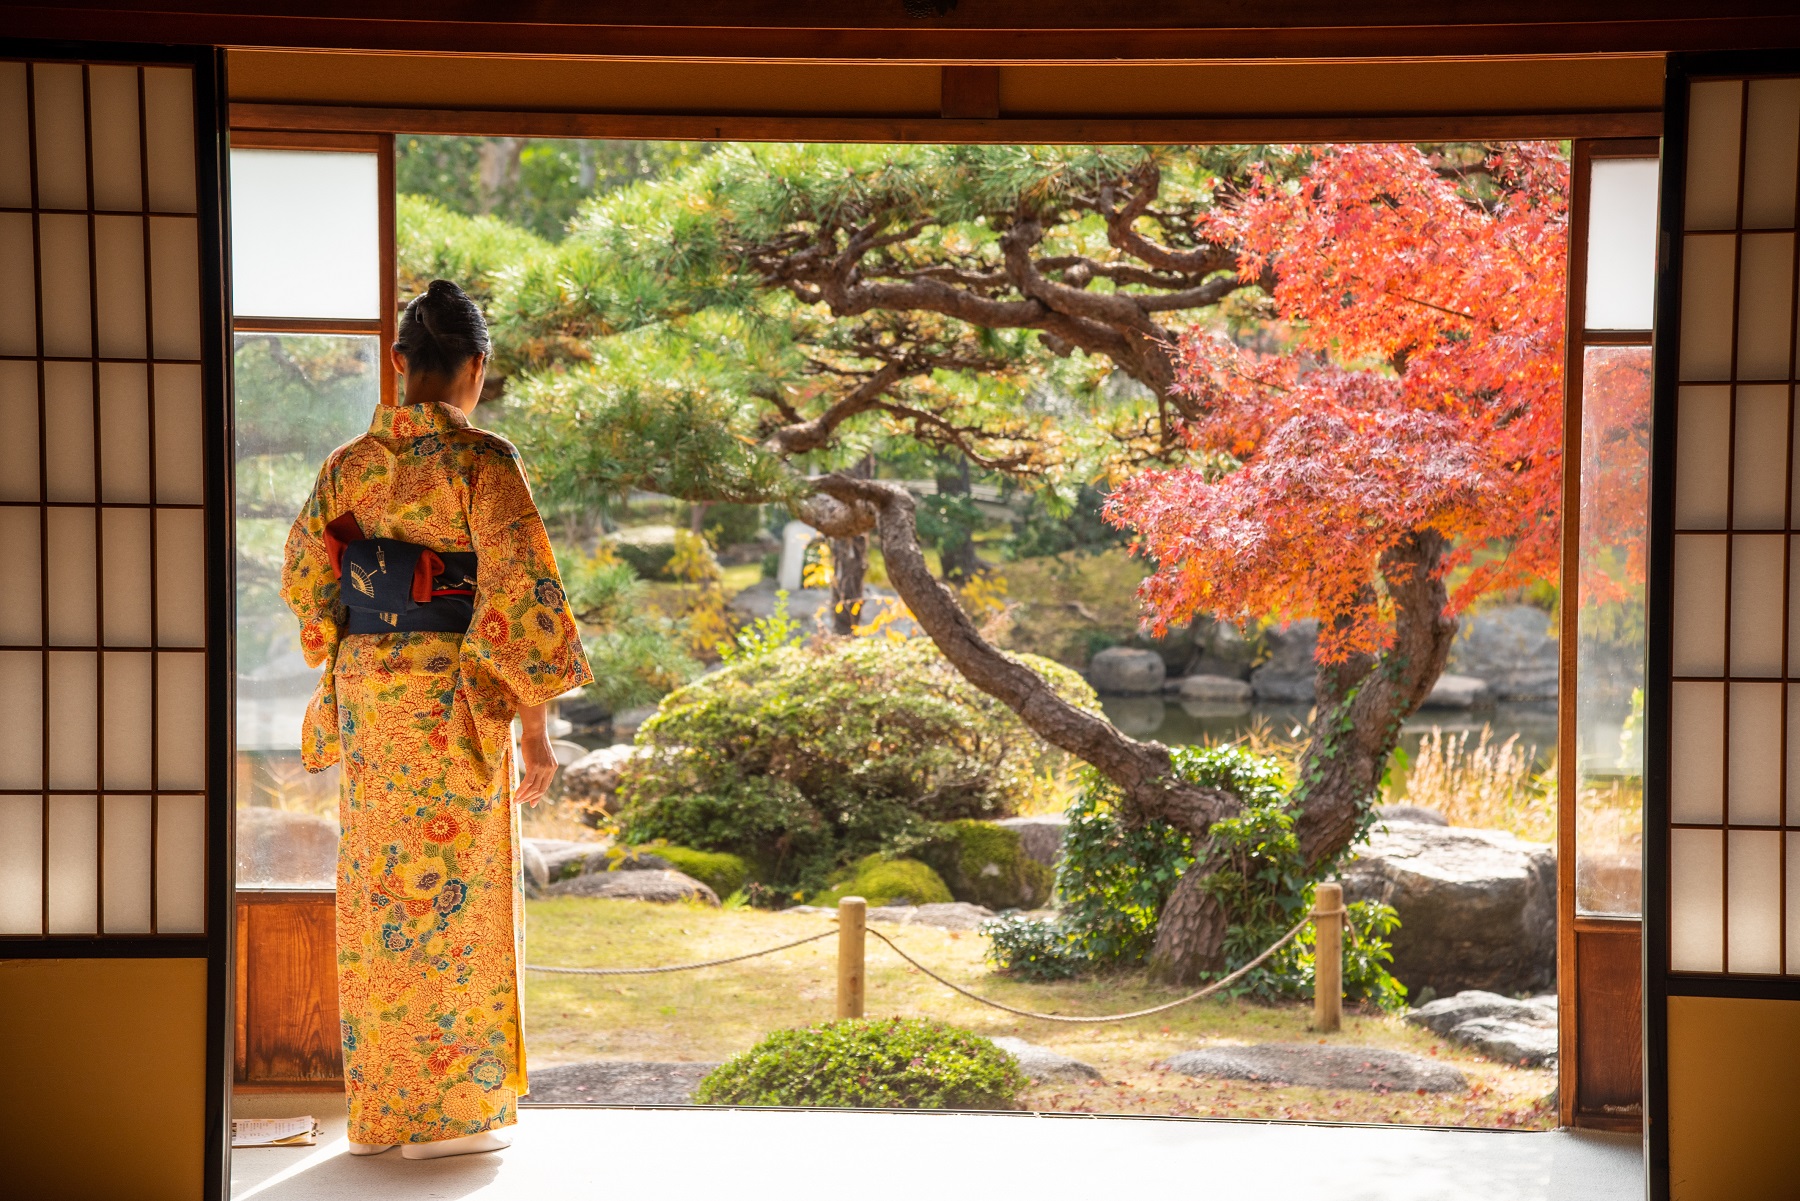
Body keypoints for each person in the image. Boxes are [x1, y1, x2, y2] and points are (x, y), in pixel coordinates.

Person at [282, 279, 592, 1160]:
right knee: (457, 906)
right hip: (453, 707)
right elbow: (522, 607)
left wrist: (361, 638)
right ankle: (451, 1117)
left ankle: (382, 1109)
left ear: (400, 364)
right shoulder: (483, 462)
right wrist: (534, 732)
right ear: (477, 368)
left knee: (383, 901)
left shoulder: (348, 467)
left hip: (377, 714)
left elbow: (310, 583)